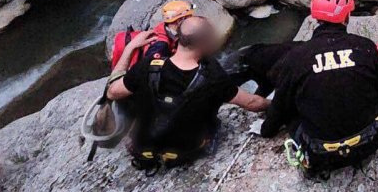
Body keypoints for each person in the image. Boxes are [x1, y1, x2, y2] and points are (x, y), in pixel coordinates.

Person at [258, 0, 378, 177]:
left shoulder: (297, 57)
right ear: (347, 16)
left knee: (293, 107)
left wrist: (267, 130)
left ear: (314, 15)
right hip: (369, 141)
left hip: (321, 154)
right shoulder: (364, 47)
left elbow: (281, 106)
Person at [106, 16, 269, 172]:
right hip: (186, 152)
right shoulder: (214, 76)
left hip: (143, 150)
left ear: (178, 39)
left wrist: (130, 48)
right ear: (204, 43)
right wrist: (274, 103)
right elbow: (252, 103)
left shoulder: (149, 66)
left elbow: (113, 92)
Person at [221, 41, 301, 97]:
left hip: (296, 59)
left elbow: (268, 85)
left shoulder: (258, 61)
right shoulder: (257, 61)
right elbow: (266, 84)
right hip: (249, 59)